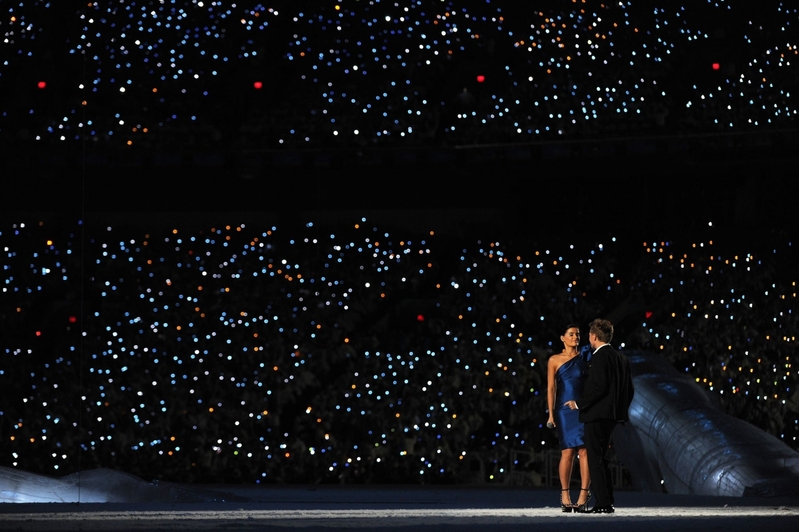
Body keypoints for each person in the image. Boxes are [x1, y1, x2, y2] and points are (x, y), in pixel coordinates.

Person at [565, 318, 634, 514]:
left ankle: (603, 503)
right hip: (610, 416)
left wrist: (579, 403)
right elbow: (629, 390)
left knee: (595, 459)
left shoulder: (601, 357)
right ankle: (607, 500)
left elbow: (599, 387)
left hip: (596, 415)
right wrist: (618, 411)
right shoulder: (621, 358)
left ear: (594, 336)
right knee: (602, 459)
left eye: (589, 335)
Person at [547, 324, 591, 512]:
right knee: (567, 452)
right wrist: (550, 413)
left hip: (583, 408)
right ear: (562, 338)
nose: (575, 337)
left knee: (585, 451)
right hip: (564, 410)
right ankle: (565, 494)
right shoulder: (554, 360)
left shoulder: (585, 355)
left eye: (577, 334)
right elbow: (551, 388)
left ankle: (583, 496)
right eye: (571, 334)